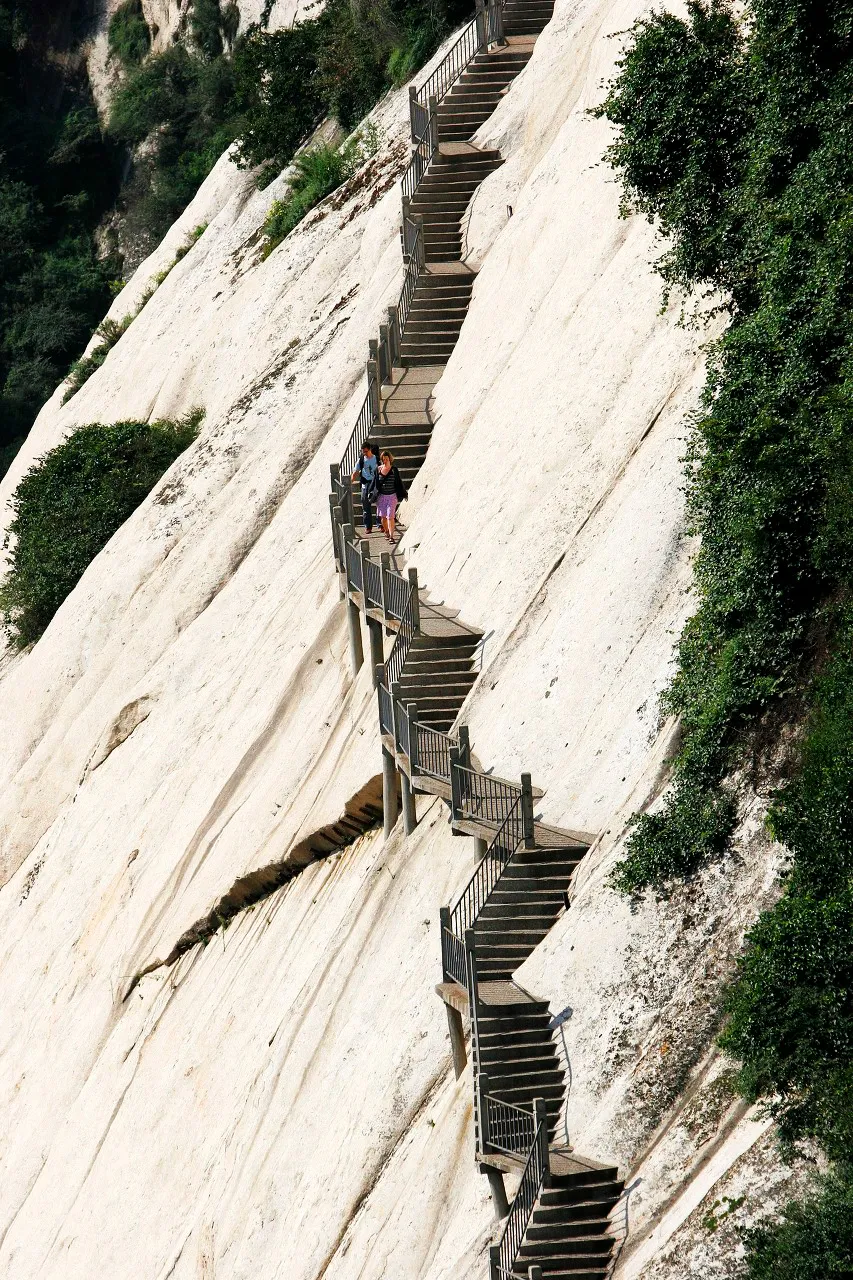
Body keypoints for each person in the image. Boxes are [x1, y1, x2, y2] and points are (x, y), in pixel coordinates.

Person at [376, 449, 407, 544]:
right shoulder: (378, 469)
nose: (385, 461)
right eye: (383, 459)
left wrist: (403, 493)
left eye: (386, 459)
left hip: (392, 496)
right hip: (382, 497)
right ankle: (386, 532)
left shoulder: (394, 470)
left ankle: (391, 536)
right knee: (383, 518)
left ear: (390, 459)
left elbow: (399, 482)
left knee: (390, 517)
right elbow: (375, 483)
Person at [352, 441, 378, 534]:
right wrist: (350, 483)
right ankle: (368, 526)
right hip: (365, 484)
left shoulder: (376, 459)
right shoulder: (361, 459)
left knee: (379, 503)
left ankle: (380, 524)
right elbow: (355, 472)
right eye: (363, 452)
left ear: (370, 449)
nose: (364, 453)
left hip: (374, 483)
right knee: (365, 506)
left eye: (366, 451)